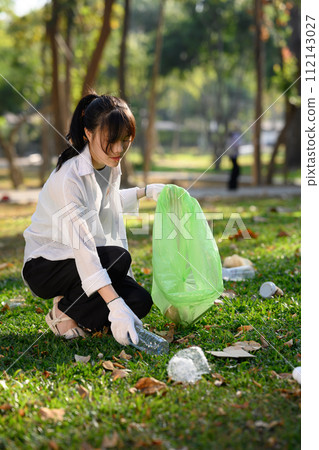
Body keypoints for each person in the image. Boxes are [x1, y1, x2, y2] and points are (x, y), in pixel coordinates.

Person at [21, 93, 165, 346]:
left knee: (139, 301)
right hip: (45, 264)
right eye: (111, 141)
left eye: (125, 141)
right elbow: (84, 247)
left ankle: (86, 316)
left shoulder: (109, 165)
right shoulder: (69, 178)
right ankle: (63, 311)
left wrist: (145, 192)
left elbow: (105, 205)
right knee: (117, 259)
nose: (119, 149)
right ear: (88, 133)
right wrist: (114, 303)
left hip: (76, 259)